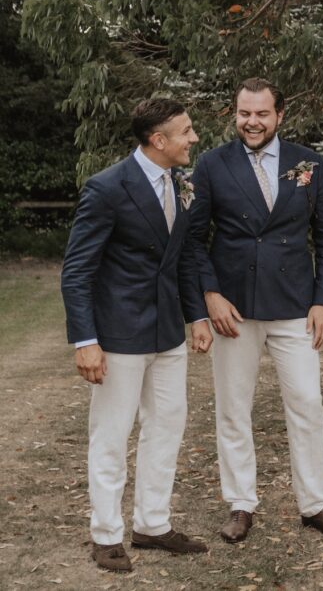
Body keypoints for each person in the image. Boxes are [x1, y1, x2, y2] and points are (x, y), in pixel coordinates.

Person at [189, 77, 323, 542]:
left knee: (307, 403)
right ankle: (241, 503)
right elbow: (194, 240)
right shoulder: (211, 164)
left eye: (262, 113)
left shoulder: (308, 162)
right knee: (233, 408)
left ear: (280, 115)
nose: (252, 122)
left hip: (294, 304)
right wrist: (210, 294)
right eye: (244, 113)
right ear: (235, 114)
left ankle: (315, 504)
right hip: (233, 308)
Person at [61, 98, 212, 572]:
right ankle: (106, 535)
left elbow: (182, 259)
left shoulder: (181, 183)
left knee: (167, 427)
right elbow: (77, 271)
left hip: (168, 334)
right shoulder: (107, 187)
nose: (193, 138)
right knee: (111, 435)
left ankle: (152, 524)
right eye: (185, 131)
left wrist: (197, 316)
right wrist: (86, 340)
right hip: (119, 335)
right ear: (158, 140)